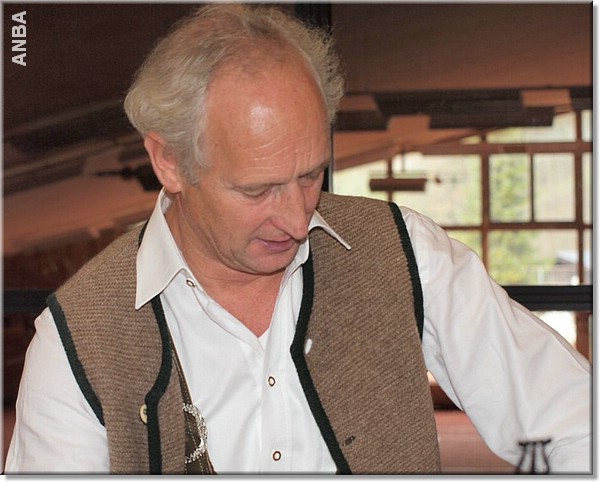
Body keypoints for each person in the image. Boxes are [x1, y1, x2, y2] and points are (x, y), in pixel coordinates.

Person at [5, 4, 591, 475]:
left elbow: (575, 424)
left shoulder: (405, 253)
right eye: (258, 190)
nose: (295, 217)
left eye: (310, 175)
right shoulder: (80, 338)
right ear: (170, 161)